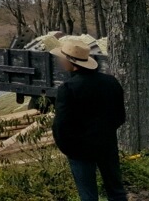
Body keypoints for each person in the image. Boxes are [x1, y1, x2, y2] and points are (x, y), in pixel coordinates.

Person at [50, 40, 127, 201]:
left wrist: (68, 149)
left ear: (71, 62)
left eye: (62, 59)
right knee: (116, 192)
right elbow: (120, 116)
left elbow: (61, 125)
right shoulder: (111, 82)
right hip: (107, 146)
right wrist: (106, 133)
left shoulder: (68, 88)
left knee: (88, 196)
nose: (60, 62)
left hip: (80, 151)